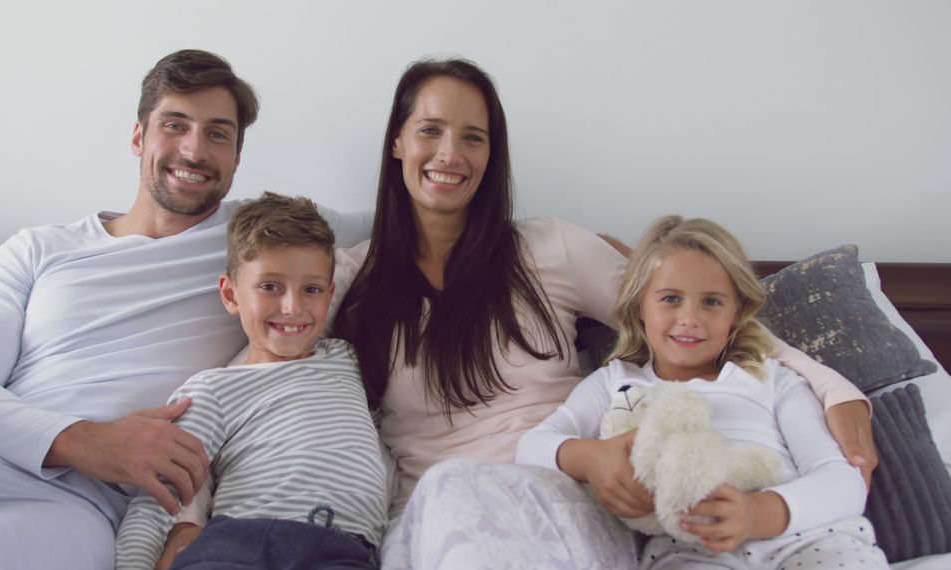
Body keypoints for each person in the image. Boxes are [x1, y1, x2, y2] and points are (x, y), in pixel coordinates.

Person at [330, 58, 878, 569]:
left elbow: (687, 319)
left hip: (563, 500)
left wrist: (834, 388)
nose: (450, 153)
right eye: (430, 130)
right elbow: (260, 336)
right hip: (428, 515)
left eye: (473, 137)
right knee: (450, 489)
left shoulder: (551, 248)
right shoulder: (347, 277)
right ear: (397, 142)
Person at [0, 50, 371, 570]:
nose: (194, 149)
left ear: (237, 158)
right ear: (139, 137)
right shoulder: (39, 247)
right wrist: (84, 439)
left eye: (218, 134)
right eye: (175, 125)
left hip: (71, 505)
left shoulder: (260, 241)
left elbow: (410, 215)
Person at [516, 215, 889, 569]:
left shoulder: (773, 380)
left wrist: (757, 513)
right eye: (670, 299)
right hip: (691, 551)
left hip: (806, 539)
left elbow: (843, 482)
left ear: (736, 313)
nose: (689, 318)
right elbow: (530, 447)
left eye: (711, 302)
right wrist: (590, 457)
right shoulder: (614, 382)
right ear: (639, 306)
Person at [114, 192, 388, 570]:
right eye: (270, 286)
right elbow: (158, 496)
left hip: (343, 547)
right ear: (231, 294)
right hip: (242, 540)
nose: (292, 306)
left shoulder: (348, 360)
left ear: (330, 294)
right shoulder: (212, 391)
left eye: (311, 290)